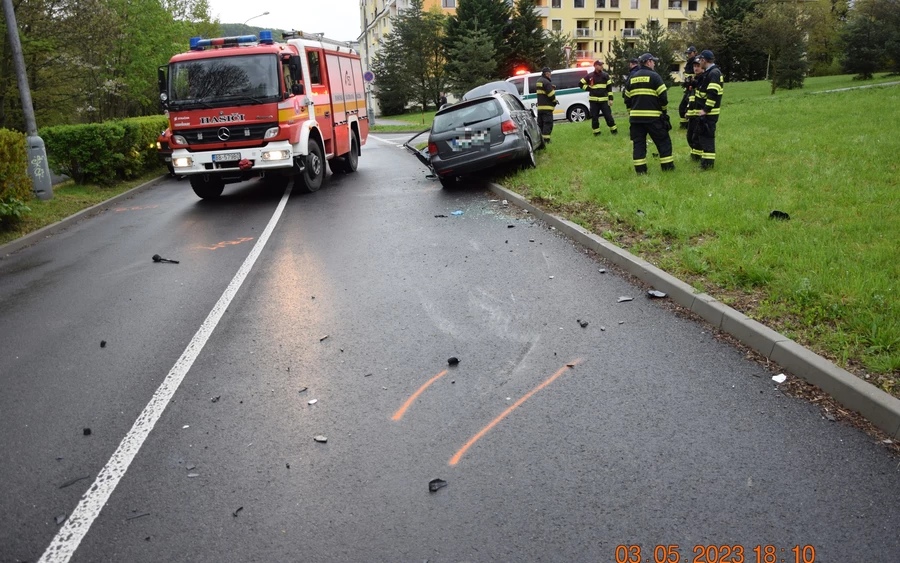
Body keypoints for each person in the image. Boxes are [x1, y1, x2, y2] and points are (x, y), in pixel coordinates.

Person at [623, 53, 674, 174]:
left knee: (639, 144)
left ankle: (640, 171)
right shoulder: (655, 76)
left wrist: (632, 113)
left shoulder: (632, 78)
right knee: (663, 142)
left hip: (635, 120)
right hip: (653, 118)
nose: (654, 64)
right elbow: (663, 97)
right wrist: (663, 111)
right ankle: (667, 169)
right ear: (648, 62)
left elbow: (627, 100)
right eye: (653, 61)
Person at [695, 50, 724, 170]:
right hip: (707, 112)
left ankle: (707, 165)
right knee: (704, 136)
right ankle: (705, 163)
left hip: (710, 113)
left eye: (700, 60)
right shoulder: (710, 72)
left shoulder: (714, 73)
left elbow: (713, 93)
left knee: (708, 138)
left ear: (703, 60)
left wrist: (705, 110)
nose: (698, 63)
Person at [580, 60, 618, 136]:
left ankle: (614, 131)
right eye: (600, 65)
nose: (602, 67)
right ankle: (596, 133)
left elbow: (609, 88)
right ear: (595, 66)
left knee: (608, 116)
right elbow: (580, 84)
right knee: (594, 118)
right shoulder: (590, 76)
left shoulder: (605, 76)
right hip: (593, 101)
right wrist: (589, 88)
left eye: (602, 65)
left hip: (604, 101)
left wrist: (611, 99)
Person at [685, 56, 704, 161]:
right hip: (692, 114)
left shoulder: (704, 79)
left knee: (696, 137)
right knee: (689, 136)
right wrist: (688, 111)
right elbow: (690, 98)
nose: (696, 68)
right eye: (694, 66)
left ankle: (697, 157)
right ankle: (694, 155)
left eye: (698, 66)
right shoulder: (693, 80)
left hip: (700, 114)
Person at [535, 67, 558, 144]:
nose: (550, 74)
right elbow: (551, 95)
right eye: (550, 73)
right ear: (547, 73)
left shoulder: (539, 81)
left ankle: (541, 141)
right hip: (547, 108)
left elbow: (543, 92)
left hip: (540, 108)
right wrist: (554, 102)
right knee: (548, 124)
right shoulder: (547, 82)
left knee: (541, 124)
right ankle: (547, 141)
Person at [678, 46, 698, 128]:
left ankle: (688, 125)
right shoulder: (689, 62)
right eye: (688, 53)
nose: (688, 55)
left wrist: (691, 80)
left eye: (690, 53)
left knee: (689, 107)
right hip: (688, 88)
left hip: (693, 88)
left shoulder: (696, 62)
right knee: (682, 106)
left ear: (695, 52)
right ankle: (684, 124)